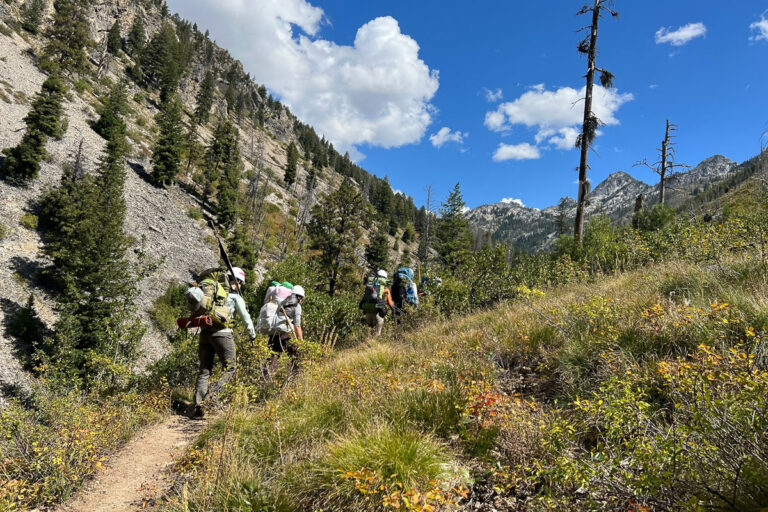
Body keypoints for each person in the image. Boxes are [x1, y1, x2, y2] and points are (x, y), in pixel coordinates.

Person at [191, 267, 255, 419]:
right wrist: (252, 335)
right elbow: (246, 318)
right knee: (230, 368)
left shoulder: (214, 292)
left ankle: (198, 406)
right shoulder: (234, 297)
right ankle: (211, 399)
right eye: (241, 284)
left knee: (204, 370)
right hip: (223, 334)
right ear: (237, 282)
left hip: (205, 333)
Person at [267, 285, 305, 357]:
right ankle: (295, 368)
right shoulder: (297, 306)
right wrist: (301, 342)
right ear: (299, 298)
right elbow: (297, 326)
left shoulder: (281, 302)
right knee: (296, 356)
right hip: (286, 335)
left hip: (274, 333)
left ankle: (267, 368)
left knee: (273, 358)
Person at [360, 270, 393, 336]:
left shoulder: (370, 285)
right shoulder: (386, 289)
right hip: (377, 313)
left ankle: (366, 344)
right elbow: (390, 303)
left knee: (369, 333)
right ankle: (374, 345)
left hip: (367, 312)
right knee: (377, 335)